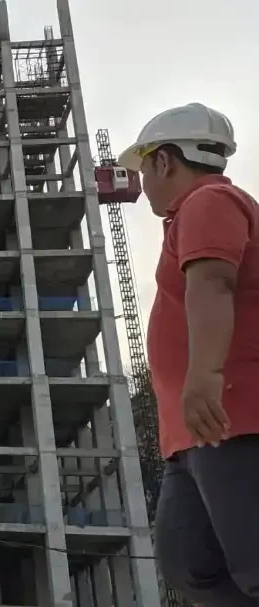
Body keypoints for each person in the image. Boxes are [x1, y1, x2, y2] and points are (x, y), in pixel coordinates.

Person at [118, 102, 259, 604]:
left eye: (143, 169)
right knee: (190, 563)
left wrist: (205, 375)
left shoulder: (209, 202)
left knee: (252, 561)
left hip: (233, 414)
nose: (141, 183)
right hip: (194, 433)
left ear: (163, 161)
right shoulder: (195, 212)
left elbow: (214, 284)